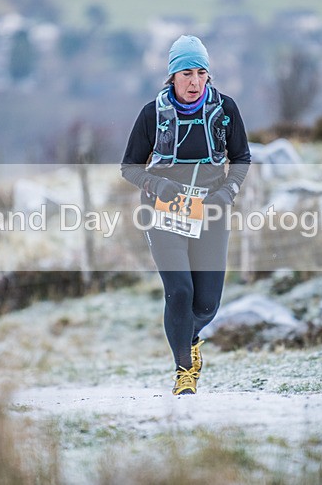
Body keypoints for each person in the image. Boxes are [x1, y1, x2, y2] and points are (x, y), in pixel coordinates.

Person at [121, 35, 251, 395]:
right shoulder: (153, 114)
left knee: (206, 303)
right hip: (164, 210)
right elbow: (129, 167)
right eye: (186, 74)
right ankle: (184, 372)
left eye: (200, 73)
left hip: (210, 209)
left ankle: (189, 336)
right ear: (172, 77)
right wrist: (154, 185)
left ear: (208, 75)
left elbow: (241, 159)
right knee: (179, 292)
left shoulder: (225, 110)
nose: (194, 82)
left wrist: (227, 193)